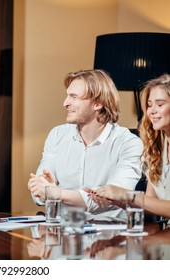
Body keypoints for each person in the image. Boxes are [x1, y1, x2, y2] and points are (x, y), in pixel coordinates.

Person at [27, 69, 143, 218]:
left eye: (73, 97)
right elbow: (40, 191)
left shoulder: (129, 143)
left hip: (110, 235)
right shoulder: (57, 135)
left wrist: (54, 192)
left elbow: (111, 197)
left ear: (97, 103)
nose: (65, 103)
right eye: (67, 96)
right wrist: (42, 191)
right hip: (63, 232)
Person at [86, 74, 170, 219]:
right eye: (149, 105)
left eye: (160, 104)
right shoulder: (157, 148)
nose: (152, 111)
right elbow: (152, 205)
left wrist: (127, 195)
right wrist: (116, 199)